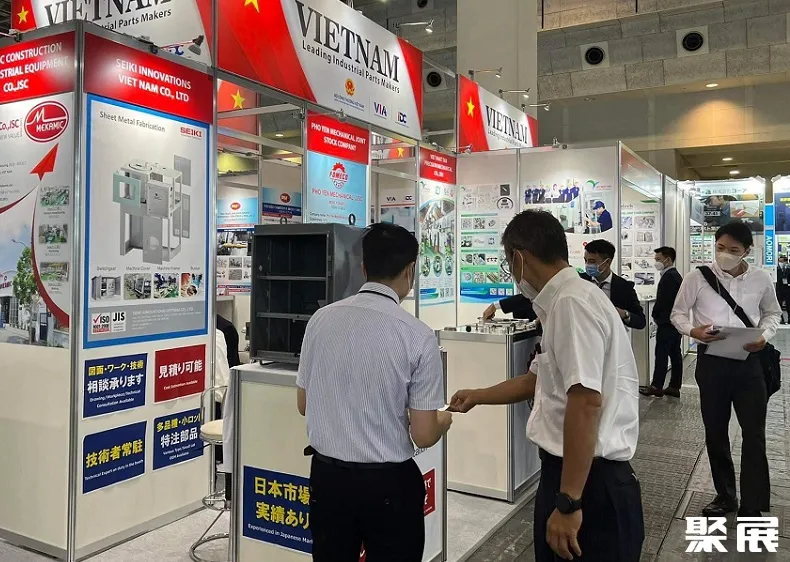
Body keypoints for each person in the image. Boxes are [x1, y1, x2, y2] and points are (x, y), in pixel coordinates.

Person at [451, 210, 643, 562]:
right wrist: (478, 396)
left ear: (519, 258)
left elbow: (585, 401)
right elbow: (536, 380)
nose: (512, 273)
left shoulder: (572, 303)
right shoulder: (564, 301)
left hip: (589, 482)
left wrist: (569, 501)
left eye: (509, 263)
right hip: (578, 475)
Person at [296, 222, 452, 561]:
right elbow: (424, 434)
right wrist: (444, 420)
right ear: (410, 271)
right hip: (388, 485)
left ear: (364, 267)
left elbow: (303, 403)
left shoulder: (320, 320)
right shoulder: (418, 335)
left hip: (327, 479)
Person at [671, 221, 781, 518]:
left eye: (733, 250)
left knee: (754, 434)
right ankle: (725, 496)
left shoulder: (760, 278)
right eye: (720, 247)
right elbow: (678, 313)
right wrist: (693, 331)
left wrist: (764, 336)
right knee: (716, 431)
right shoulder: (697, 277)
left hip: (750, 362)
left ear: (747, 251)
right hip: (712, 361)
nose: (725, 254)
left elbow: (772, 313)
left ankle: (753, 504)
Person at [640, 247, 684, 398]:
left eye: (658, 259)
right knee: (675, 354)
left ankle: (657, 386)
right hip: (674, 322)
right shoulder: (673, 275)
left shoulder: (670, 277)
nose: (656, 262)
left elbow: (664, 301)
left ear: (668, 259)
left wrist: (655, 314)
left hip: (667, 322)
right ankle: (674, 386)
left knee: (662, 354)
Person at [583, 239, 646, 330]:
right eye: (586, 260)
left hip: (611, 335)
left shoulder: (624, 287)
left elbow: (640, 321)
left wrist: (623, 314)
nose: (587, 264)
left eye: (592, 261)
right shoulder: (580, 281)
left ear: (607, 262)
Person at [776, 255, 790, 324]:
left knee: (789, 305)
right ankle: (781, 319)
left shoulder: (788, 269)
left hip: (788, 290)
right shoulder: (776, 269)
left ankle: (789, 319)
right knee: (779, 305)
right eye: (781, 261)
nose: (783, 263)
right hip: (779, 290)